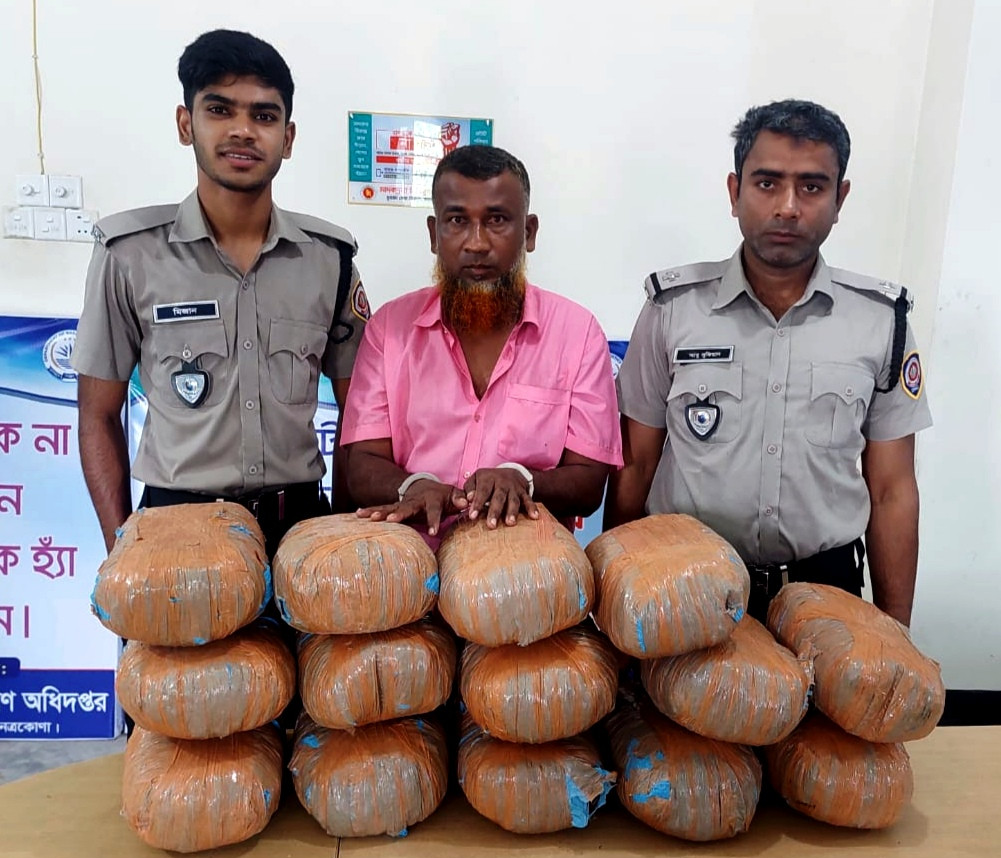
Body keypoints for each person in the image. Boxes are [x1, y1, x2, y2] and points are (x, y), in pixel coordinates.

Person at [606, 99, 932, 626]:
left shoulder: (880, 321)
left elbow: (892, 489)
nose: (788, 207)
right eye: (767, 183)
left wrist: (894, 630)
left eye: (812, 186)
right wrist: (613, 604)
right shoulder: (673, 308)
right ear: (734, 192)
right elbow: (634, 465)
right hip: (685, 585)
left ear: (840, 198)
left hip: (825, 593)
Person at [71, 29, 368, 559]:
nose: (242, 131)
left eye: (264, 115)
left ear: (288, 138)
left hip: (299, 532)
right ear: (186, 125)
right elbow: (97, 414)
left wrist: (341, 533)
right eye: (219, 110)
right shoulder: (129, 255)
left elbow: (359, 413)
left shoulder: (330, 260)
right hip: (174, 532)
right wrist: (120, 548)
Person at [340, 145, 622, 541]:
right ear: (434, 234)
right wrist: (410, 486)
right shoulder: (388, 329)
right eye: (457, 220)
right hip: (412, 562)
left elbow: (590, 483)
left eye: (496, 220)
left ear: (529, 233)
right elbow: (361, 463)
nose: (476, 243)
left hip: (527, 566)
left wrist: (524, 480)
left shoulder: (577, 333)